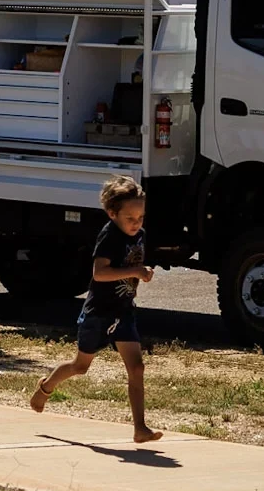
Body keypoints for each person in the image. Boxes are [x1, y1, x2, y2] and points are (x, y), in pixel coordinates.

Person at [29, 175, 163, 444]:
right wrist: (135, 270)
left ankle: (140, 428)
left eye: (141, 217)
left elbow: (130, 267)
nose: (137, 224)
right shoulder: (109, 235)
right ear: (112, 213)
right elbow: (100, 273)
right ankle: (46, 387)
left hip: (123, 311)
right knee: (80, 366)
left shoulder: (140, 235)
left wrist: (141, 274)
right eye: (130, 218)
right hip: (98, 313)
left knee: (137, 368)